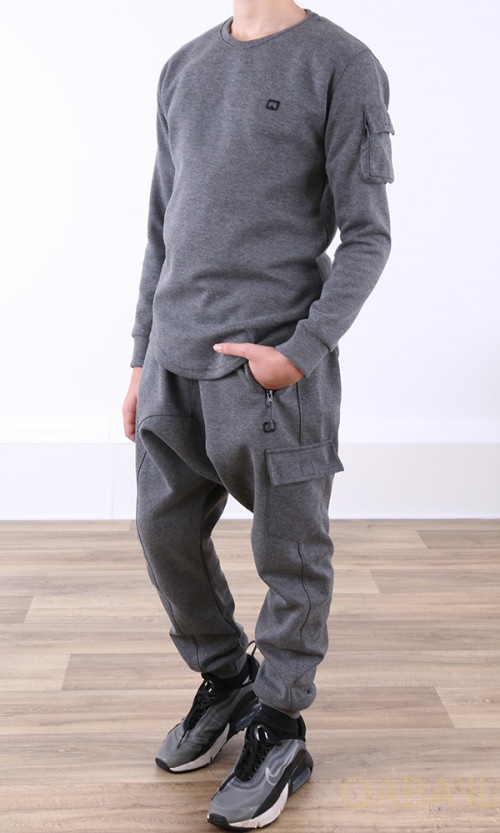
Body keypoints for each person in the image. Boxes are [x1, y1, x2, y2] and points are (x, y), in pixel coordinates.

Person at [122, 1, 394, 828]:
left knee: (291, 556)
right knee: (163, 532)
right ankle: (228, 677)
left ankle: (280, 723)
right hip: (173, 359)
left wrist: (299, 352)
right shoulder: (183, 67)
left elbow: (368, 236)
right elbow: (162, 225)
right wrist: (139, 357)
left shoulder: (342, 63)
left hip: (269, 370)